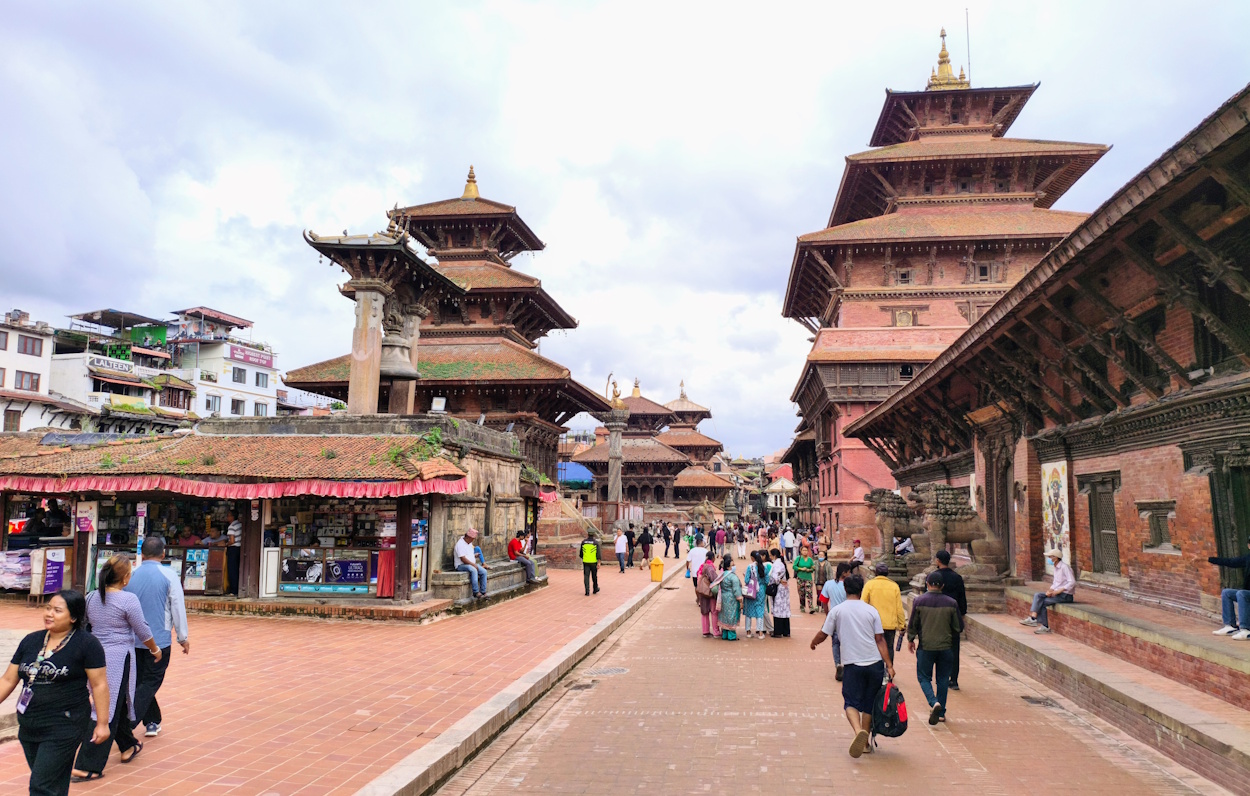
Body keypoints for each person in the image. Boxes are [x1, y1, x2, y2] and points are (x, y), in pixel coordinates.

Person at [0, 590, 110, 796]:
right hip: (30, 723)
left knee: (41, 785)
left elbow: (99, 685)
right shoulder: (31, 641)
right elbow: (8, 679)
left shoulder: (87, 644)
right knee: (53, 782)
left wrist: (102, 723)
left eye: (57, 610)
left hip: (65, 723)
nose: (49, 613)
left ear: (73, 617)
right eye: (48, 608)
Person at [72, 556, 162, 780]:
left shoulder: (92, 596)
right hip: (118, 659)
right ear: (125, 578)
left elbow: (83, 624)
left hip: (93, 655)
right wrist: (155, 649)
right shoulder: (127, 600)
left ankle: (128, 746)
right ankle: (88, 764)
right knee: (106, 708)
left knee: (118, 702)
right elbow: (142, 629)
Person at [810, 574, 895, 758]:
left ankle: (858, 732)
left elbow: (824, 633)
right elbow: (880, 640)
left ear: (845, 589)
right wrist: (889, 664)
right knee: (869, 703)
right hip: (874, 663)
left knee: (850, 702)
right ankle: (864, 744)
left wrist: (813, 643)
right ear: (862, 589)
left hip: (852, 664)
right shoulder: (871, 611)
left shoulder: (838, 610)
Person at [127, 537, 190, 740]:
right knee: (149, 683)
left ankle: (152, 720)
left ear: (142, 554)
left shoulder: (130, 576)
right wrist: (182, 637)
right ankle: (128, 721)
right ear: (163, 554)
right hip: (159, 640)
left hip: (134, 639)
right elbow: (177, 608)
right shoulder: (169, 575)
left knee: (141, 682)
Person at [908, 571, 963, 725]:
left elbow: (913, 624)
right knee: (943, 679)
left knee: (924, 677)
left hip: (926, 647)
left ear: (927, 584)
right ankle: (941, 712)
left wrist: (911, 639)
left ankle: (933, 702)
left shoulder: (919, 601)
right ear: (942, 586)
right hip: (946, 647)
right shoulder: (951, 603)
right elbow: (958, 626)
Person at [932, 550, 967, 689]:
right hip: (953, 616)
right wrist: (962, 616)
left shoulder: (933, 577)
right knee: (954, 648)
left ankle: (942, 677)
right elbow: (962, 600)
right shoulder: (957, 577)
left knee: (938, 648)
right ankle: (954, 679)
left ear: (938, 560)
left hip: (937, 618)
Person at [1020, 549, 1074, 633]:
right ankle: (1033, 618)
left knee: (1043, 602)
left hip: (1065, 595)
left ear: (1055, 558)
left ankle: (1044, 625)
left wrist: (1058, 591)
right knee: (1038, 595)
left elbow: (1072, 582)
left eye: (1050, 557)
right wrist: (1051, 590)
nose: (1048, 559)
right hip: (1056, 594)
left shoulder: (1064, 567)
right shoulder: (1056, 568)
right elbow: (1056, 583)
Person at [861, 562, 906, 662]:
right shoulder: (894, 586)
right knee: (889, 647)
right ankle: (889, 671)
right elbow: (899, 608)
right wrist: (902, 624)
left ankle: (877, 672)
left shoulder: (869, 585)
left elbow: (863, 604)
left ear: (876, 572)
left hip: (873, 624)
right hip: (890, 624)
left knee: (874, 647)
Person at [1209, 538, 1250, 640]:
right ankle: (1230, 626)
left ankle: (1245, 629)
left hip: (1245, 594)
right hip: (1248, 593)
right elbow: (1230, 562)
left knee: (1241, 594)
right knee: (1227, 593)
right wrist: (1209, 559)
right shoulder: (1248, 558)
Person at [820, 563, 852, 680]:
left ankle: (838, 663)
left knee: (835, 642)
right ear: (844, 573)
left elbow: (823, 601)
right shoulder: (849, 586)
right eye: (849, 572)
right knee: (847, 642)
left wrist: (828, 614)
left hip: (834, 616)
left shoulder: (829, 584)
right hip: (847, 617)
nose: (850, 574)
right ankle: (846, 664)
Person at [454, 529, 488, 598]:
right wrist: (473, 565)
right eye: (472, 539)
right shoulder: (460, 544)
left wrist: (475, 556)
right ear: (468, 537)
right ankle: (475, 592)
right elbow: (463, 559)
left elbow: (468, 555)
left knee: (484, 572)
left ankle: (483, 591)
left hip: (470, 564)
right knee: (473, 570)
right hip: (461, 565)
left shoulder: (469, 543)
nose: (473, 540)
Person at [716, 555, 743, 640]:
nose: (734, 566)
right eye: (732, 565)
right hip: (732, 599)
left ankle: (725, 634)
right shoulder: (732, 577)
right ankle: (731, 636)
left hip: (723, 597)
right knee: (731, 616)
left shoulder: (722, 575)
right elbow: (736, 590)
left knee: (724, 615)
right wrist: (740, 600)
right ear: (729, 566)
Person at [743, 551, 768, 639]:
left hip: (751, 590)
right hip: (760, 590)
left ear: (752, 558)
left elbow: (746, 580)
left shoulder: (750, 567)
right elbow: (767, 581)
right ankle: (760, 632)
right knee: (760, 611)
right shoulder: (764, 567)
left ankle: (748, 631)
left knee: (749, 611)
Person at [768, 548, 792, 637]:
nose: (770, 557)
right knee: (784, 609)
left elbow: (775, 577)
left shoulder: (777, 564)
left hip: (778, 589)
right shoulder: (781, 563)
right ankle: (786, 631)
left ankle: (778, 631)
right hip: (783, 589)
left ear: (774, 556)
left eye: (770, 555)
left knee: (778, 609)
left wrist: (777, 581)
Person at [696, 555, 720, 637]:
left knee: (704, 612)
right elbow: (714, 579)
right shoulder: (710, 568)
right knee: (714, 612)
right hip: (709, 592)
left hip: (702, 591)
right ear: (713, 558)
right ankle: (716, 631)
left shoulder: (702, 566)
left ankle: (705, 631)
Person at [225, 509, 243, 596]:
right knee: (237, 568)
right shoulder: (240, 524)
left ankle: (233, 590)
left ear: (232, 517)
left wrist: (226, 544)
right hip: (239, 548)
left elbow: (232, 541)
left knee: (232, 570)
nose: (227, 517)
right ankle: (237, 588)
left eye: (228, 515)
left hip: (233, 548)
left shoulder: (231, 526)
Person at [793, 547, 815, 614]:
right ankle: (802, 605)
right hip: (800, 578)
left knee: (809, 592)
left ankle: (811, 607)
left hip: (808, 578)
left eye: (806, 550)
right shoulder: (798, 558)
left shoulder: (810, 560)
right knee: (801, 593)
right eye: (803, 550)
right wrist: (800, 569)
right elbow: (794, 566)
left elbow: (813, 567)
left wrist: (810, 570)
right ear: (801, 551)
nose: (805, 552)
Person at [580, 530, 600, 596]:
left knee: (586, 576)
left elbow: (581, 554)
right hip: (593, 562)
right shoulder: (595, 543)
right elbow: (598, 554)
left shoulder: (583, 542)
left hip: (585, 561)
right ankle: (595, 589)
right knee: (594, 576)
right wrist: (599, 563)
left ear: (588, 534)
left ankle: (587, 591)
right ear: (594, 534)